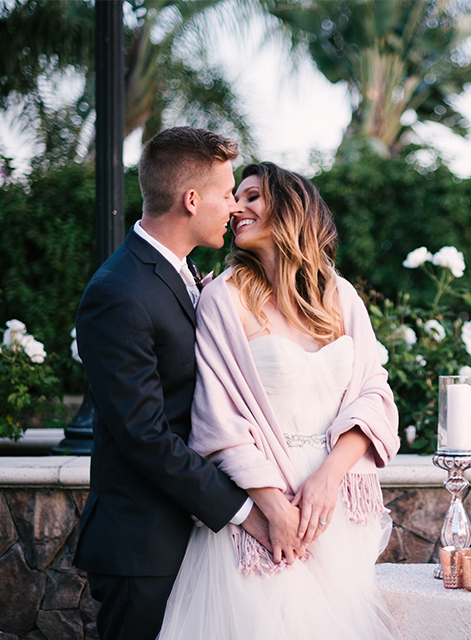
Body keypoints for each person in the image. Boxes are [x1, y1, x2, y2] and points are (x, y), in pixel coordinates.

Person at [75, 128, 302, 640]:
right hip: (144, 543)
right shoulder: (118, 292)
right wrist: (247, 510)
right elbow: (146, 436)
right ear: (191, 199)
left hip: (190, 535)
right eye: (226, 194)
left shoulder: (184, 272)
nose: (233, 207)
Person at [157, 162, 400, 639]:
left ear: (290, 208)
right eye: (235, 197)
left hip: (334, 506)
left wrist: (328, 479)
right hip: (264, 505)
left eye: (252, 197)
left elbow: (375, 394)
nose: (236, 208)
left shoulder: (341, 295)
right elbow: (218, 419)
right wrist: (274, 510)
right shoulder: (223, 298)